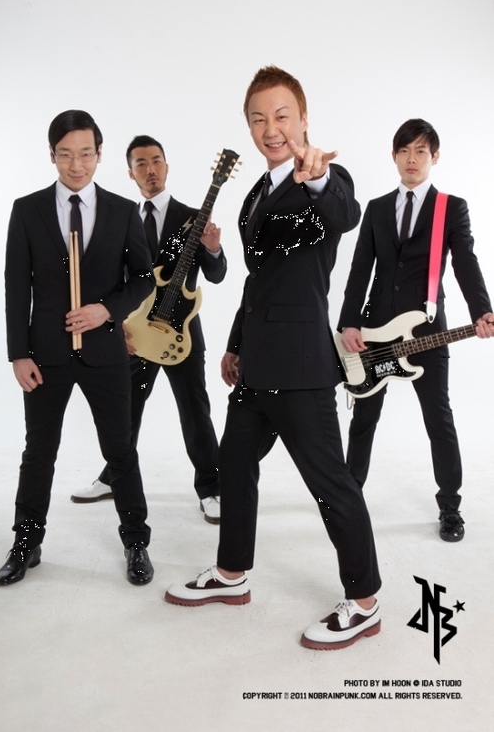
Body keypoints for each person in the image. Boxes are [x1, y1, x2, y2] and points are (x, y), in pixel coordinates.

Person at [165, 66, 382, 650]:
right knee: (234, 465)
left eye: (282, 115)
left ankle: (365, 601)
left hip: (302, 366)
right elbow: (257, 280)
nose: (271, 128)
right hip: (257, 366)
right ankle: (231, 573)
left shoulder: (325, 180)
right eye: (258, 118)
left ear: (303, 119)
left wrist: (319, 176)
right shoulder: (254, 195)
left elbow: (344, 213)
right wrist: (236, 343)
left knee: (331, 484)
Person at [0, 110, 156, 587]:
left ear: (99, 154)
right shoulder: (27, 210)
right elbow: (15, 287)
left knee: (120, 450)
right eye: (65, 154)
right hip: (44, 355)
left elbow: (143, 279)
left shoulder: (123, 211)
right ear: (52, 155)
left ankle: (136, 542)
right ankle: (26, 542)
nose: (77, 164)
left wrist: (105, 310)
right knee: (38, 451)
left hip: (105, 352)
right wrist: (18, 353)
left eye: (86, 153)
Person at [337, 118, 494, 543]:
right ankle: (349, 499)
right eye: (404, 150)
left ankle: (450, 507)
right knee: (364, 418)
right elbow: (359, 269)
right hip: (374, 330)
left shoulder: (450, 207)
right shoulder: (376, 208)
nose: (412, 159)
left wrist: (482, 311)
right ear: (394, 156)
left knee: (438, 418)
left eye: (421, 151)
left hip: (426, 329)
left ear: (434, 157)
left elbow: (465, 261)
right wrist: (350, 322)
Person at [70, 135, 226, 523]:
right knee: (124, 410)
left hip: (181, 333)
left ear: (167, 167)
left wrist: (212, 248)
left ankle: (211, 487)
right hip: (136, 333)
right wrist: (115, 324)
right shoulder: (122, 219)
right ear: (130, 173)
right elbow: (113, 280)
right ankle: (113, 476)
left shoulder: (193, 217)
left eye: (156, 161)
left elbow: (217, 275)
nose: (150, 169)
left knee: (195, 411)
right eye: (141, 163)